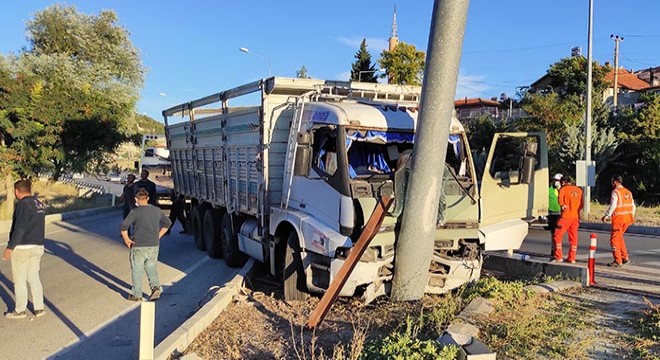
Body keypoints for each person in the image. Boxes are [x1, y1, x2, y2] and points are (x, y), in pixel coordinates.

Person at [3, 179, 47, 319]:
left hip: (23, 247)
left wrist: (10, 247)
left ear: (16, 191)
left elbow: (20, 228)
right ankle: (39, 308)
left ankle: (20, 310)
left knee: (20, 280)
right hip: (37, 246)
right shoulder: (38, 203)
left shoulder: (23, 205)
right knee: (34, 277)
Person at [120, 189, 171, 301]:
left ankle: (137, 294)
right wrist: (159, 235)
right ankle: (155, 287)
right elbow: (168, 223)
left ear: (136, 199)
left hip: (138, 244)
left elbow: (123, 228)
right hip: (153, 244)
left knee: (137, 268)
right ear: (147, 198)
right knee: (151, 266)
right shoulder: (157, 211)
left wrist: (127, 240)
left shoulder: (134, 212)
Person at [601, 175, 636, 267]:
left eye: (612, 181)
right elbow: (633, 206)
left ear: (615, 182)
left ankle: (618, 260)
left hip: (619, 219)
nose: (611, 183)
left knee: (614, 240)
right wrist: (631, 216)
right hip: (628, 218)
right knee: (619, 237)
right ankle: (625, 258)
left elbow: (613, 205)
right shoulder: (628, 192)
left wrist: (607, 215)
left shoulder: (615, 192)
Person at [551, 175, 583, 263]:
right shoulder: (579, 190)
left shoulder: (563, 189)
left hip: (565, 217)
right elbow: (582, 205)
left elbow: (560, 201)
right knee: (573, 237)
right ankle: (572, 258)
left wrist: (563, 206)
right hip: (575, 217)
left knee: (557, 235)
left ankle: (558, 256)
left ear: (563, 182)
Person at [546, 173, 563, 255]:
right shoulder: (549, 189)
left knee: (559, 233)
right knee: (553, 233)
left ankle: (558, 249)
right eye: (555, 180)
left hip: (561, 214)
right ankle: (554, 249)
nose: (556, 182)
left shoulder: (563, 190)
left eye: (558, 181)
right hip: (552, 213)